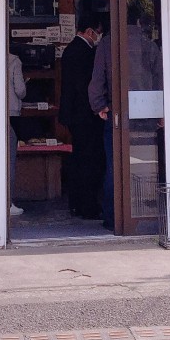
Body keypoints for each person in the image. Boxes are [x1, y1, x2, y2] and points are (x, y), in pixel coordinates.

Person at [89, 1, 162, 231]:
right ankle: (147, 216)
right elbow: (161, 78)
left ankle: (114, 219)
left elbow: (96, 81)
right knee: (149, 165)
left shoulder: (107, 44)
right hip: (147, 114)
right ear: (139, 21)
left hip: (118, 115)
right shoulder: (148, 45)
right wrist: (161, 111)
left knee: (114, 167)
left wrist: (99, 106)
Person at [59, 12, 105, 219]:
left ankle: (78, 204)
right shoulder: (84, 52)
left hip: (75, 115)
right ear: (89, 31)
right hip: (85, 115)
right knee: (88, 160)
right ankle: (87, 206)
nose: (99, 37)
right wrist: (98, 107)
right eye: (98, 33)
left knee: (79, 159)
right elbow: (85, 86)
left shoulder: (71, 50)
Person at [7, 51, 26, 217]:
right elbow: (20, 89)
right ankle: (8, 201)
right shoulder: (14, 60)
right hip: (10, 111)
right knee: (9, 160)